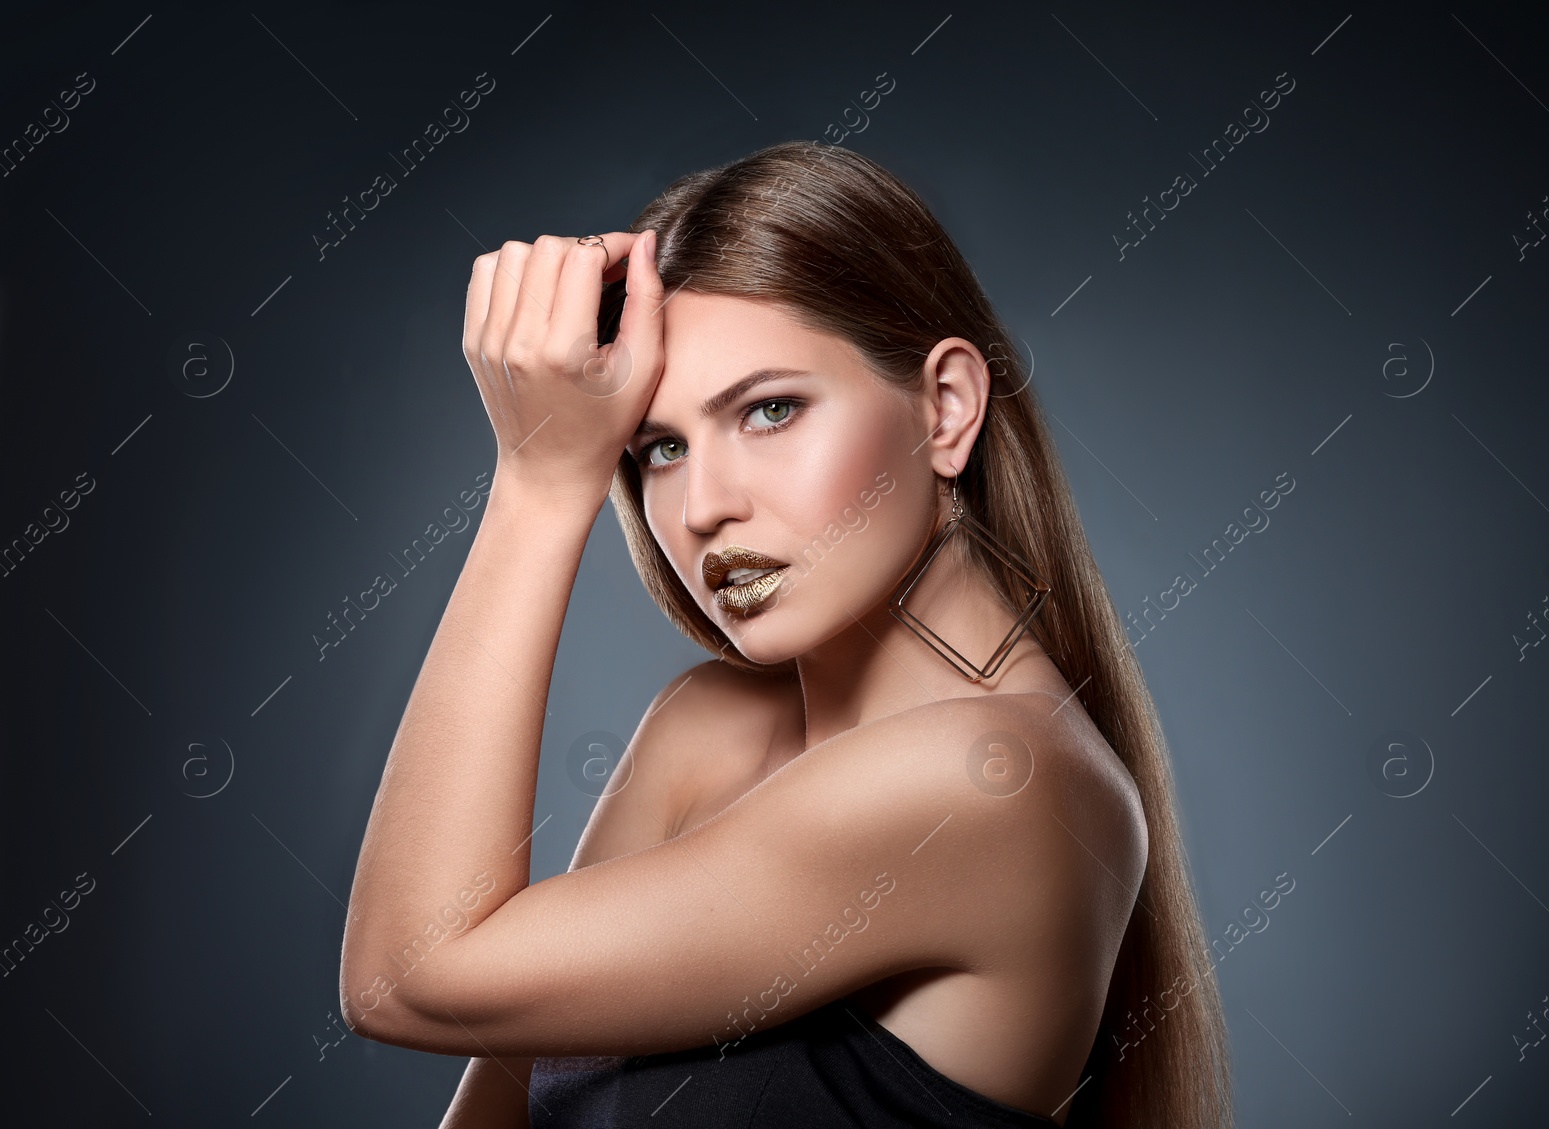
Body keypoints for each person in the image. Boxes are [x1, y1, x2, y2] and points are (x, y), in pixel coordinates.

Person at [339, 141, 1232, 1128]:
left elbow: (407, 976)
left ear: (945, 407)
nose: (705, 506)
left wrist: (542, 484)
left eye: (770, 410)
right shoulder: (703, 725)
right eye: (660, 448)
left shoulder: (997, 778)